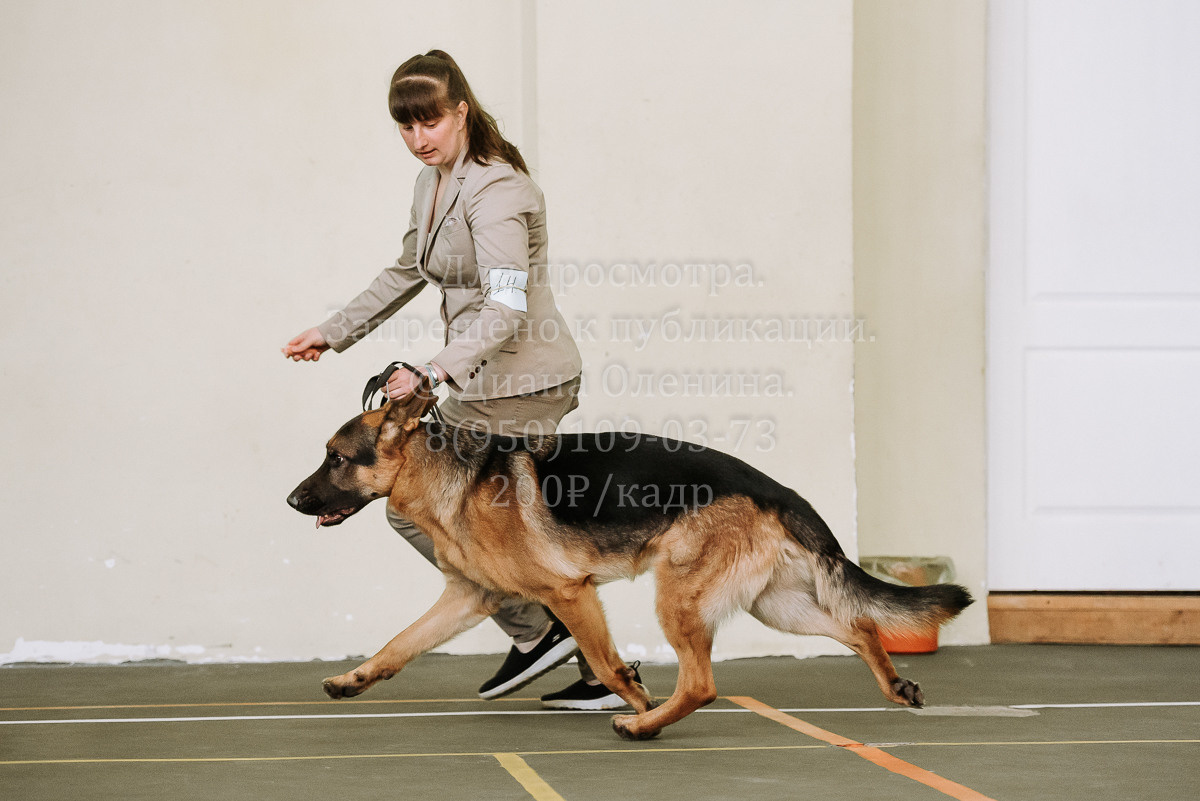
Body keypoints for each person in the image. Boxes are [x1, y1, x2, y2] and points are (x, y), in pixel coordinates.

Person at [283, 50, 636, 710]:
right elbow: (405, 270)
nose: (418, 139)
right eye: (406, 127)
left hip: (525, 381)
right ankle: (574, 654)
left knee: (440, 512)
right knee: (426, 510)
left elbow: (506, 305)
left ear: (461, 112)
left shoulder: (498, 191)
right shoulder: (432, 183)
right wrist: (334, 331)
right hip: (477, 379)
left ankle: (544, 633)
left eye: (429, 123)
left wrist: (432, 368)